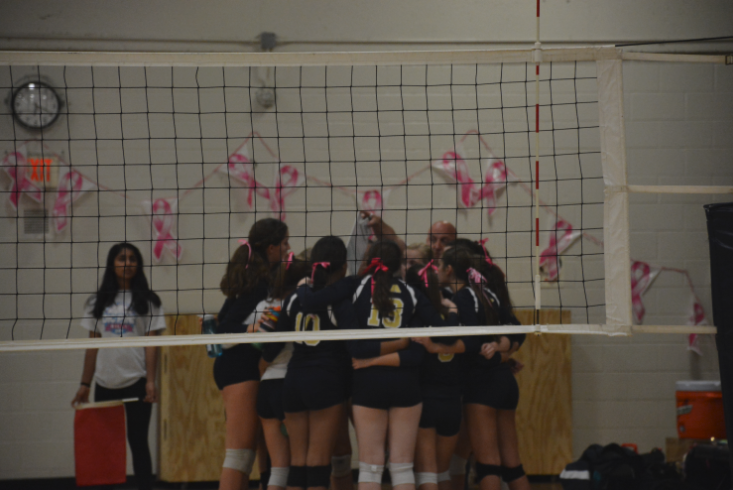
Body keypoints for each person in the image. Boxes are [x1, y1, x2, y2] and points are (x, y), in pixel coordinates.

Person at [71, 242, 166, 490]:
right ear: (112, 264)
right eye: (122, 258)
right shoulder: (97, 302)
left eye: (133, 258)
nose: (128, 263)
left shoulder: (149, 301)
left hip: (136, 380)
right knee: (105, 446)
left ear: (139, 264)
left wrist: (151, 381)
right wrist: (84, 384)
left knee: (138, 441)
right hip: (105, 382)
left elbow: (152, 345)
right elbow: (92, 347)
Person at [214, 218, 291, 490]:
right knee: (239, 454)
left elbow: (219, 320)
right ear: (271, 248)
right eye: (284, 243)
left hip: (238, 367)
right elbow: (224, 329)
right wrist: (251, 328)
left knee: (257, 449)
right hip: (239, 369)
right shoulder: (258, 283)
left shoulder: (258, 279)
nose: (288, 248)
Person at [274, 236, 354, 490]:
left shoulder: (294, 299)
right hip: (325, 381)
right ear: (343, 267)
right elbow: (353, 345)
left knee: (297, 462)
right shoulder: (341, 300)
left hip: (294, 380)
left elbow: (276, 340)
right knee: (319, 462)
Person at [404, 263, 465, 490]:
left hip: (426, 400)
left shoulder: (416, 316)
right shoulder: (453, 312)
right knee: (442, 472)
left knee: (427, 472)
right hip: (452, 402)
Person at [255, 254, 311, 490]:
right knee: (303, 460)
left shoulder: (263, 305)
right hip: (288, 387)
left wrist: (263, 363)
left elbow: (258, 344)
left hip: (266, 389)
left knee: (278, 466)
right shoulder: (298, 304)